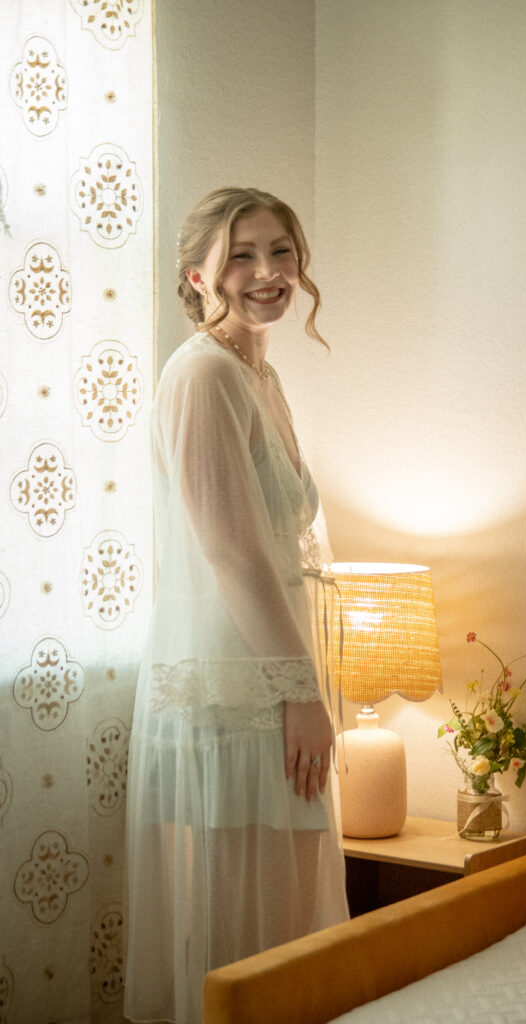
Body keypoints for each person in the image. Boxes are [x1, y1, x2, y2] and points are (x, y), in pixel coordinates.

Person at [124, 187, 349, 1024]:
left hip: (275, 671)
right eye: (242, 255)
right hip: (233, 684)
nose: (267, 273)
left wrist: (310, 684)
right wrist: (298, 693)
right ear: (198, 274)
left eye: (280, 251)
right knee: (239, 921)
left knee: (287, 912)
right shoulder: (203, 374)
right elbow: (229, 550)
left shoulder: (260, 369)